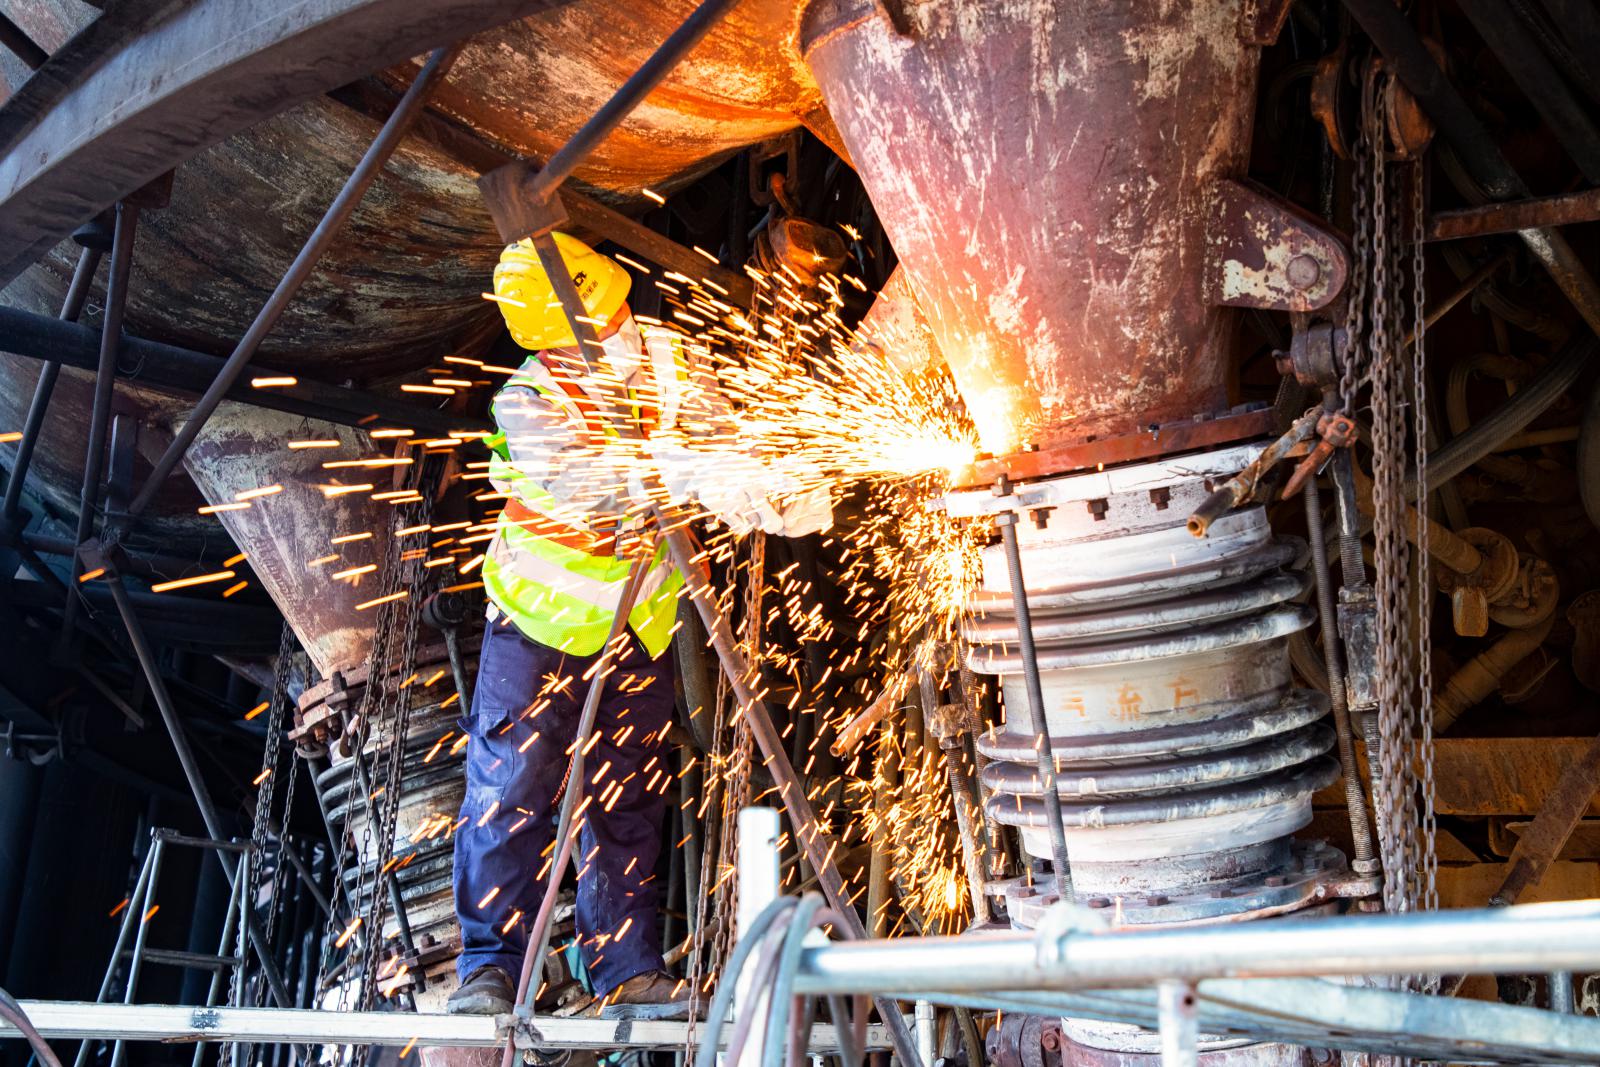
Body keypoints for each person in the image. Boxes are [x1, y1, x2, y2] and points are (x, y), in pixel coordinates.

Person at [446, 233, 831, 1018]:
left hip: (639, 628)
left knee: (625, 798)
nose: (612, 332)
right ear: (550, 339)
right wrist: (681, 469)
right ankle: (490, 971)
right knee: (511, 793)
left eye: (615, 315)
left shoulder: (669, 358)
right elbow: (591, 486)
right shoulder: (529, 400)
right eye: (591, 328)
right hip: (537, 626)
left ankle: (626, 969)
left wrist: (763, 486)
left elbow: (719, 441)